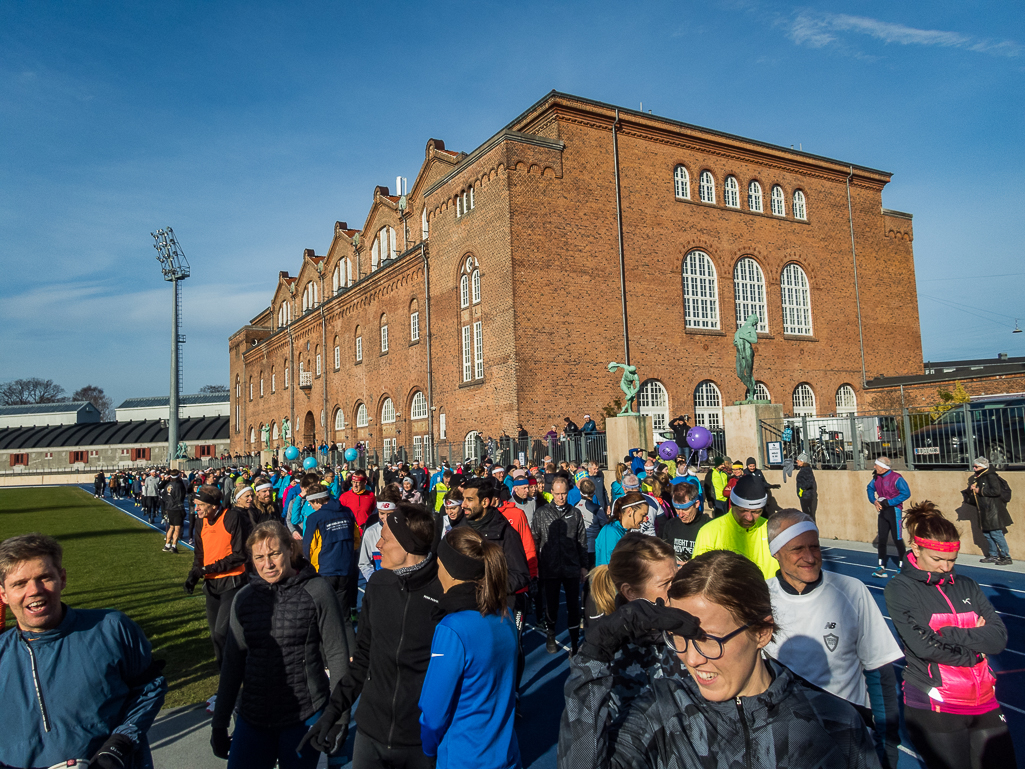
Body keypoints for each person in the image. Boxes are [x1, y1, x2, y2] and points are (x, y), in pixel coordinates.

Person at [560, 549, 881, 769]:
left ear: (761, 632)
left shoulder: (832, 721)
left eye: (709, 640)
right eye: (681, 639)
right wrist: (595, 652)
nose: (693, 659)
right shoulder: (660, 713)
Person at [0, 533, 167, 769]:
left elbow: (149, 689)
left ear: (62, 578)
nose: (34, 590)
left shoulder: (111, 628)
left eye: (44, 577)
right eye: (19, 583)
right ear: (4, 594)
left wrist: (121, 742)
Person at [300, 502, 443, 768]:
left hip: (421, 740)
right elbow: (363, 656)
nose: (377, 545)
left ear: (407, 545)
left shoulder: (443, 594)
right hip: (370, 733)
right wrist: (332, 714)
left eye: (385, 538)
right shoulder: (378, 585)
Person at [763, 510, 903, 769]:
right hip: (787, 743)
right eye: (797, 549)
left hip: (850, 738)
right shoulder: (761, 599)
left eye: (815, 546)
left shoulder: (851, 590)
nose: (809, 557)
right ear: (775, 552)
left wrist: (887, 745)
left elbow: (880, 672)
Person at [884, 502, 1015, 769]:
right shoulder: (900, 589)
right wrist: (976, 642)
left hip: (984, 700)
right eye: (937, 559)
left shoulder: (967, 584)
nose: (946, 567)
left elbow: (998, 639)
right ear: (917, 548)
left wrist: (949, 632)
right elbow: (925, 647)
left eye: (952, 560)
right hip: (935, 706)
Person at [211, 522, 350, 769]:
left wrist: (339, 718)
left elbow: (337, 653)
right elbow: (233, 663)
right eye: (260, 557)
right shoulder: (243, 598)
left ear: (290, 550)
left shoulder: (317, 590)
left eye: (274, 553)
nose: (268, 564)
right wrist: (219, 723)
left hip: (305, 715)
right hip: (253, 716)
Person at [419, 527, 520, 769]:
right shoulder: (504, 618)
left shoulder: (452, 629)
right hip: (506, 755)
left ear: (450, 570)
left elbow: (433, 712)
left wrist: (428, 750)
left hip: (464, 757)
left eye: (439, 562)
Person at [184, 485, 248, 668]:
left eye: (200, 505)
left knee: (222, 634)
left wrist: (206, 569)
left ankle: (237, 674)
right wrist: (193, 575)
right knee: (215, 637)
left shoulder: (232, 517)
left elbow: (239, 555)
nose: (196, 509)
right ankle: (225, 679)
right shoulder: (200, 521)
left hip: (232, 582)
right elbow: (199, 553)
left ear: (213, 505)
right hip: (211, 585)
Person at [532, 475, 589, 654]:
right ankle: (550, 634)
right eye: (557, 494)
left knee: (573, 606)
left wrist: (583, 566)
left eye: (563, 493)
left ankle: (573, 642)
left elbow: (582, 541)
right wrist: (536, 567)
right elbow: (535, 539)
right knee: (552, 605)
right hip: (549, 568)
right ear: (552, 493)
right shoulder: (542, 513)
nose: (561, 497)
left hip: (571, 567)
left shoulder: (576, 513)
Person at [302, 486, 359, 653]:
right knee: (345, 617)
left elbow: (308, 547)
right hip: (346, 570)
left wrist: (311, 567)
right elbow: (356, 539)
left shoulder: (315, 517)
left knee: (322, 617)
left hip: (324, 571)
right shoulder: (347, 512)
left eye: (311, 503)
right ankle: (352, 656)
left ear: (317, 501)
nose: (311, 506)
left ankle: (327, 658)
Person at [691, 473, 775, 579]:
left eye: (756, 512)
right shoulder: (709, 532)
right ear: (732, 505)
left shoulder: (772, 530)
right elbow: (699, 576)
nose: (749, 517)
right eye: (743, 511)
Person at [965, 456, 1014, 565]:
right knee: (987, 533)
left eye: (976, 466)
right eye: (973, 466)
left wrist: (979, 490)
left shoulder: (990, 476)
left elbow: (996, 491)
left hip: (992, 511)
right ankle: (993, 555)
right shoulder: (980, 477)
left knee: (996, 534)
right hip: (984, 511)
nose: (974, 468)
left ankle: (1006, 556)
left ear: (982, 466)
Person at [866, 457, 910, 577]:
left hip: (894, 510)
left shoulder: (896, 478)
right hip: (883, 511)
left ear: (883, 466)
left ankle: (902, 566)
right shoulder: (876, 478)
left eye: (876, 465)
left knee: (897, 538)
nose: (874, 467)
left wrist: (890, 502)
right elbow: (869, 488)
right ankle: (881, 566)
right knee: (882, 538)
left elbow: (906, 493)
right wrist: (874, 501)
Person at [595, 492, 649, 566]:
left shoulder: (624, 531)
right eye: (643, 515)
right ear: (629, 511)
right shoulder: (611, 531)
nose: (645, 520)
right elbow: (608, 566)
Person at [659, 482, 708, 562]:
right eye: (677, 509)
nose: (680, 515)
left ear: (696, 504)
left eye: (685, 509)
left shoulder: (708, 526)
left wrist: (692, 565)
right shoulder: (670, 525)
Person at [795, 452, 818, 521]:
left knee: (807, 514)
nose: (797, 461)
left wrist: (802, 488)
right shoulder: (804, 469)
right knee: (806, 513)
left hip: (806, 496)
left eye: (798, 460)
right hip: (804, 495)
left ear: (803, 461)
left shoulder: (806, 470)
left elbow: (810, 482)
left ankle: (810, 528)